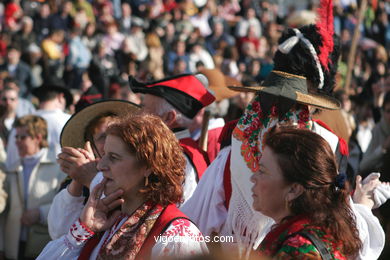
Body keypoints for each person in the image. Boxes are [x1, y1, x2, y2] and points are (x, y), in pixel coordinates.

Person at [180, 1, 387, 258]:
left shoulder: (238, 134)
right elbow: (339, 227)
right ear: (316, 94)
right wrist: (361, 207)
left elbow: (198, 223)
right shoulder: (326, 143)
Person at [37, 114, 208, 259]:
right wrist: (82, 230)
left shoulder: (177, 235)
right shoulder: (108, 219)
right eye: (103, 154)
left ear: (148, 167)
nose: (100, 165)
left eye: (113, 157)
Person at [252, 127, 361, 259]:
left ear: (294, 190)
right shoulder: (312, 228)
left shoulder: (299, 250)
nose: (253, 177)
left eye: (262, 171)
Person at [48, 100, 140, 239]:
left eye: (116, 133)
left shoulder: (135, 175)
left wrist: (90, 178)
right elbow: (58, 232)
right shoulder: (74, 186)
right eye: (102, 137)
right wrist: (78, 179)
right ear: (90, 146)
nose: (110, 141)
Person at [129, 74, 215, 204]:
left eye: (144, 108)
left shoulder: (175, 158)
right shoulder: (177, 152)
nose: (139, 115)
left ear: (168, 118)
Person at [0, 115, 65, 259]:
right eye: (16, 137)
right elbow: (3, 214)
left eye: (22, 137)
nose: (17, 142)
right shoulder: (12, 169)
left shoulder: (58, 169)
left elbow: (66, 206)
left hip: (42, 247)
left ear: (38, 138)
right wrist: (1, 247)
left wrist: (40, 213)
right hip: (13, 249)